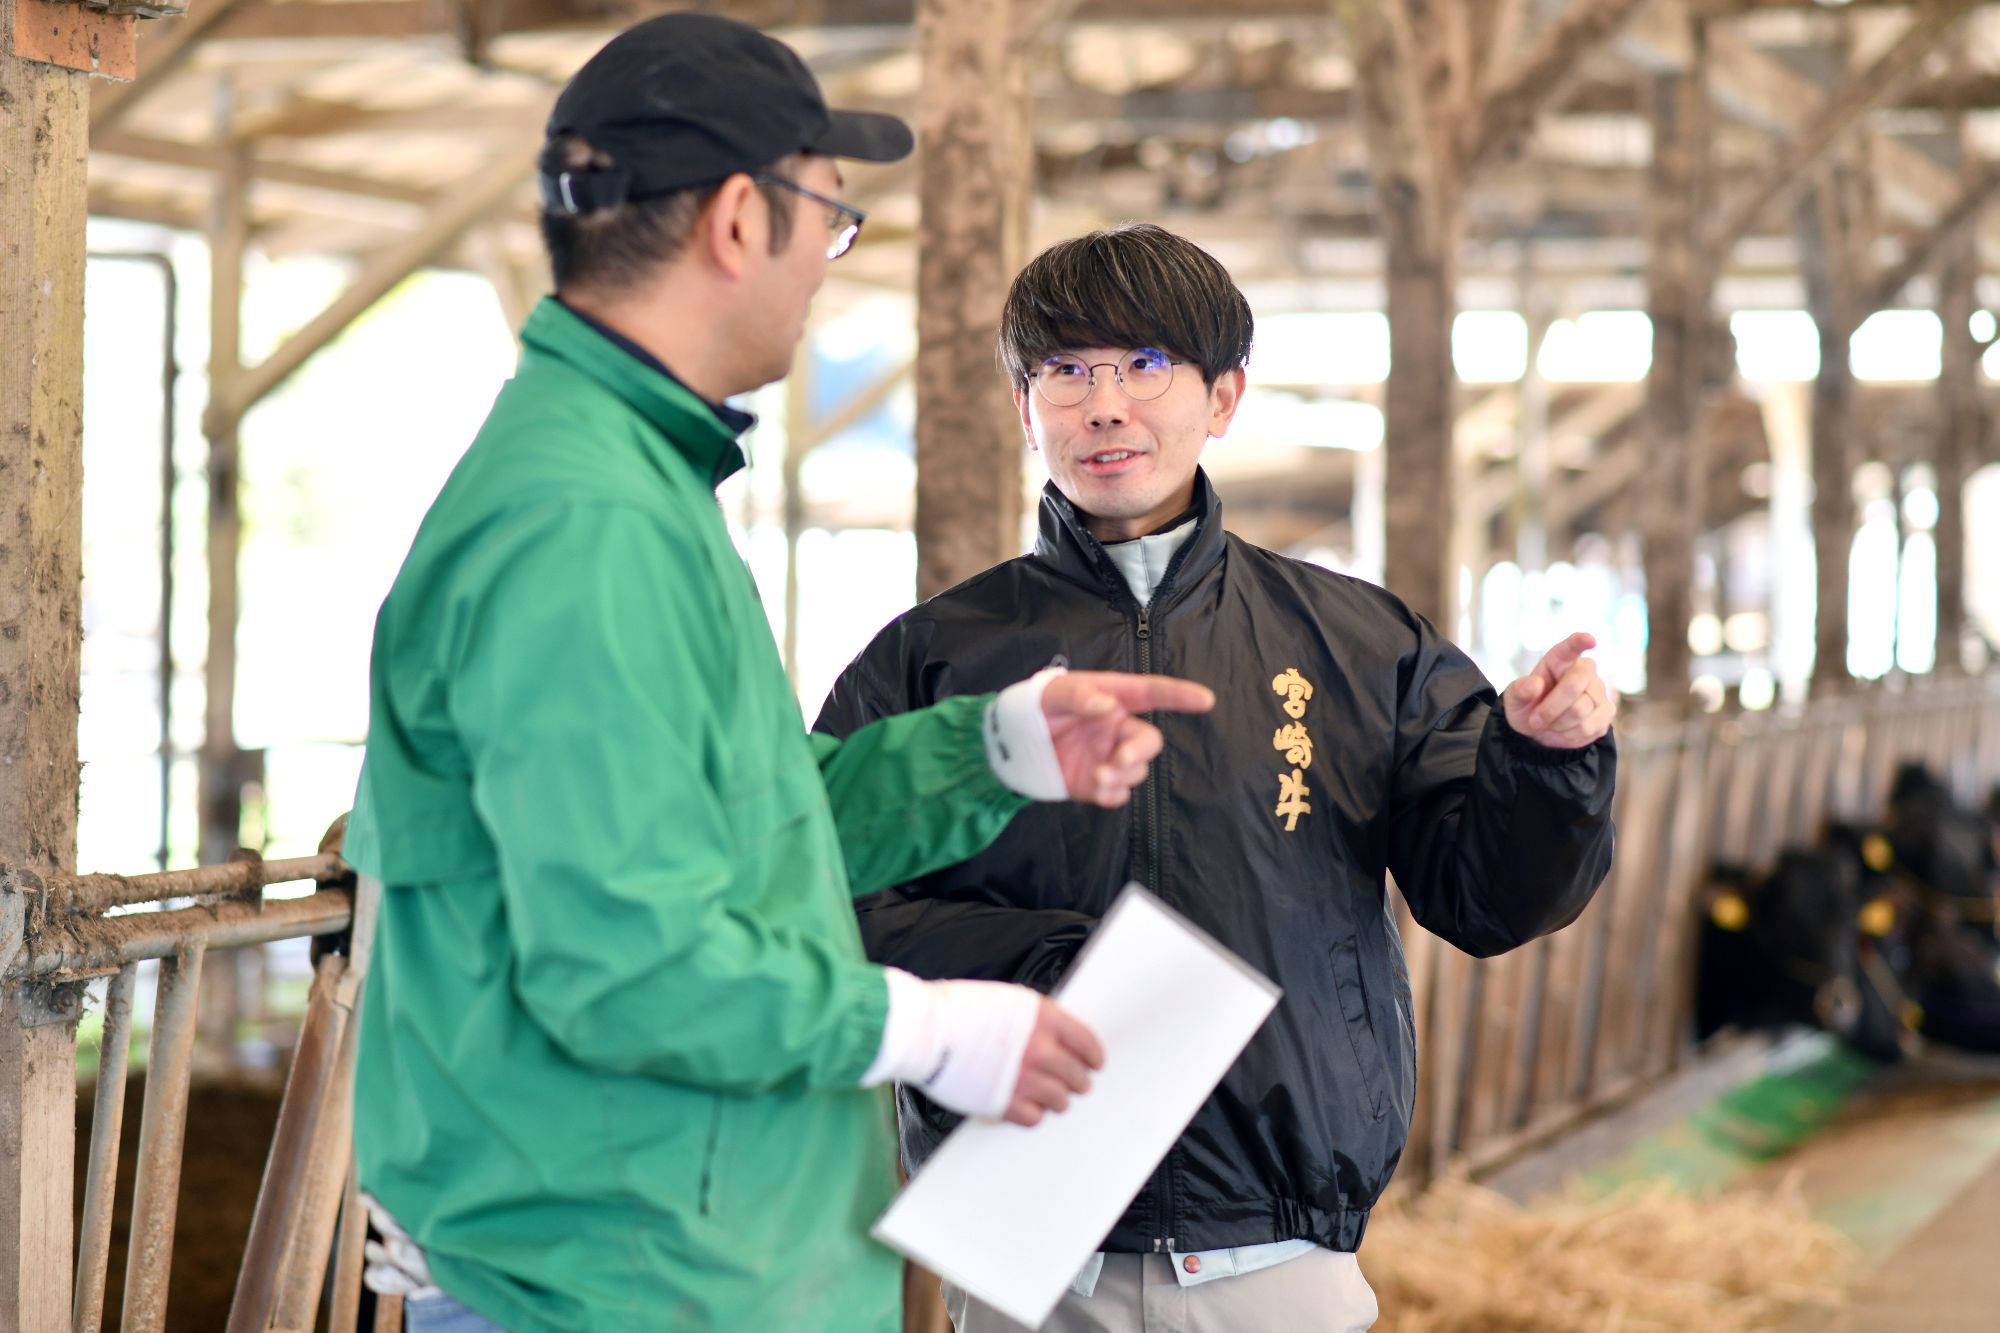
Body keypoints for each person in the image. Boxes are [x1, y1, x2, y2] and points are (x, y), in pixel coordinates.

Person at [340, 21, 1215, 1333]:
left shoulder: (634, 479)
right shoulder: (587, 522)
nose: (827, 261)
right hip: (618, 1275)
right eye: (831, 216)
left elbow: (741, 822)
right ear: (742, 219)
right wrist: (925, 1032)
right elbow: (624, 956)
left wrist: (991, 751)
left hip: (661, 1249)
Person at [816, 223, 1619, 1332]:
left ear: (1224, 396)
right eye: (1065, 371)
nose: (1104, 405)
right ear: (1023, 406)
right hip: (1035, 1245)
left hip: (1278, 1247)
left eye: (1144, 366)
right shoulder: (932, 656)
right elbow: (825, 897)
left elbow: (1487, 897)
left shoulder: (1353, 640)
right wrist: (1046, 963)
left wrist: (1540, 764)